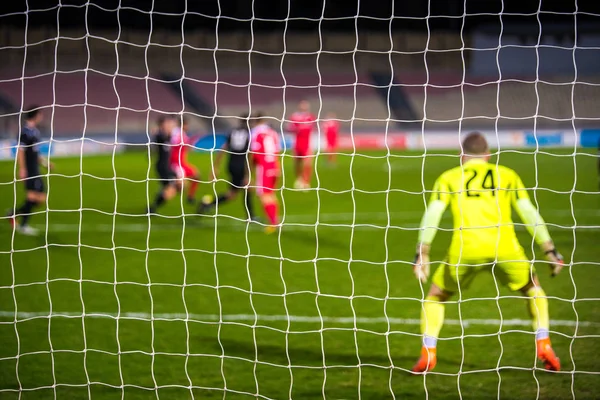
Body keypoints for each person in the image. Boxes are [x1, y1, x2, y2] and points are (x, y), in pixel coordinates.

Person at [411, 132, 564, 373]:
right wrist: (549, 249)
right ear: (488, 155)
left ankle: (429, 351)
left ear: (462, 156)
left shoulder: (449, 177)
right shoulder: (507, 174)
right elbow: (528, 212)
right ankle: (543, 342)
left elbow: (433, 214)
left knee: (436, 295)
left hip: (465, 248)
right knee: (532, 287)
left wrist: (423, 253)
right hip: (505, 247)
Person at [198, 114, 256, 220]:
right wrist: (248, 173)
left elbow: (223, 148)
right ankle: (250, 216)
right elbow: (250, 154)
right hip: (241, 165)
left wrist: (216, 166)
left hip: (231, 165)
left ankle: (207, 204)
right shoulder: (250, 134)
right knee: (247, 187)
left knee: (232, 194)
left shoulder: (233, 132)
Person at [7, 106, 53, 236]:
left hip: (36, 169)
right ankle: (23, 225)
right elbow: (21, 151)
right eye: (40, 114)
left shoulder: (35, 132)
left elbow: (35, 152)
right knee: (33, 196)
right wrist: (22, 169)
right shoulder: (25, 132)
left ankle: (13, 214)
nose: (41, 117)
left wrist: (45, 163)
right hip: (30, 170)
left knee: (40, 198)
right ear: (35, 115)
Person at [250, 113, 280, 234]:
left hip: (263, 167)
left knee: (264, 195)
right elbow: (278, 150)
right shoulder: (272, 132)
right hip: (274, 165)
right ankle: (275, 220)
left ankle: (273, 223)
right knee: (271, 194)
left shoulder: (256, 132)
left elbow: (254, 153)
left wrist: (250, 170)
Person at [148, 115, 179, 214]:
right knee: (171, 190)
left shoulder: (167, 135)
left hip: (167, 166)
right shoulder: (160, 135)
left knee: (177, 185)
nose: (169, 125)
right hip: (162, 167)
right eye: (167, 123)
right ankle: (152, 208)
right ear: (162, 124)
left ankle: (154, 205)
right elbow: (159, 136)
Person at [170, 116, 200, 204]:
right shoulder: (177, 134)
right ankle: (156, 203)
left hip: (182, 163)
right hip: (176, 164)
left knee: (196, 176)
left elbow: (186, 147)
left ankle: (190, 197)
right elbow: (173, 144)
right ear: (183, 125)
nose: (188, 127)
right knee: (180, 187)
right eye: (187, 125)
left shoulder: (183, 134)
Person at [288, 100, 316, 189]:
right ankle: (299, 179)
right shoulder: (294, 116)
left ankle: (306, 181)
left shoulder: (310, 116)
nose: (304, 107)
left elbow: (312, 128)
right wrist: (296, 129)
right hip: (297, 143)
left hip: (307, 143)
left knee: (308, 162)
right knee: (297, 163)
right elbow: (290, 128)